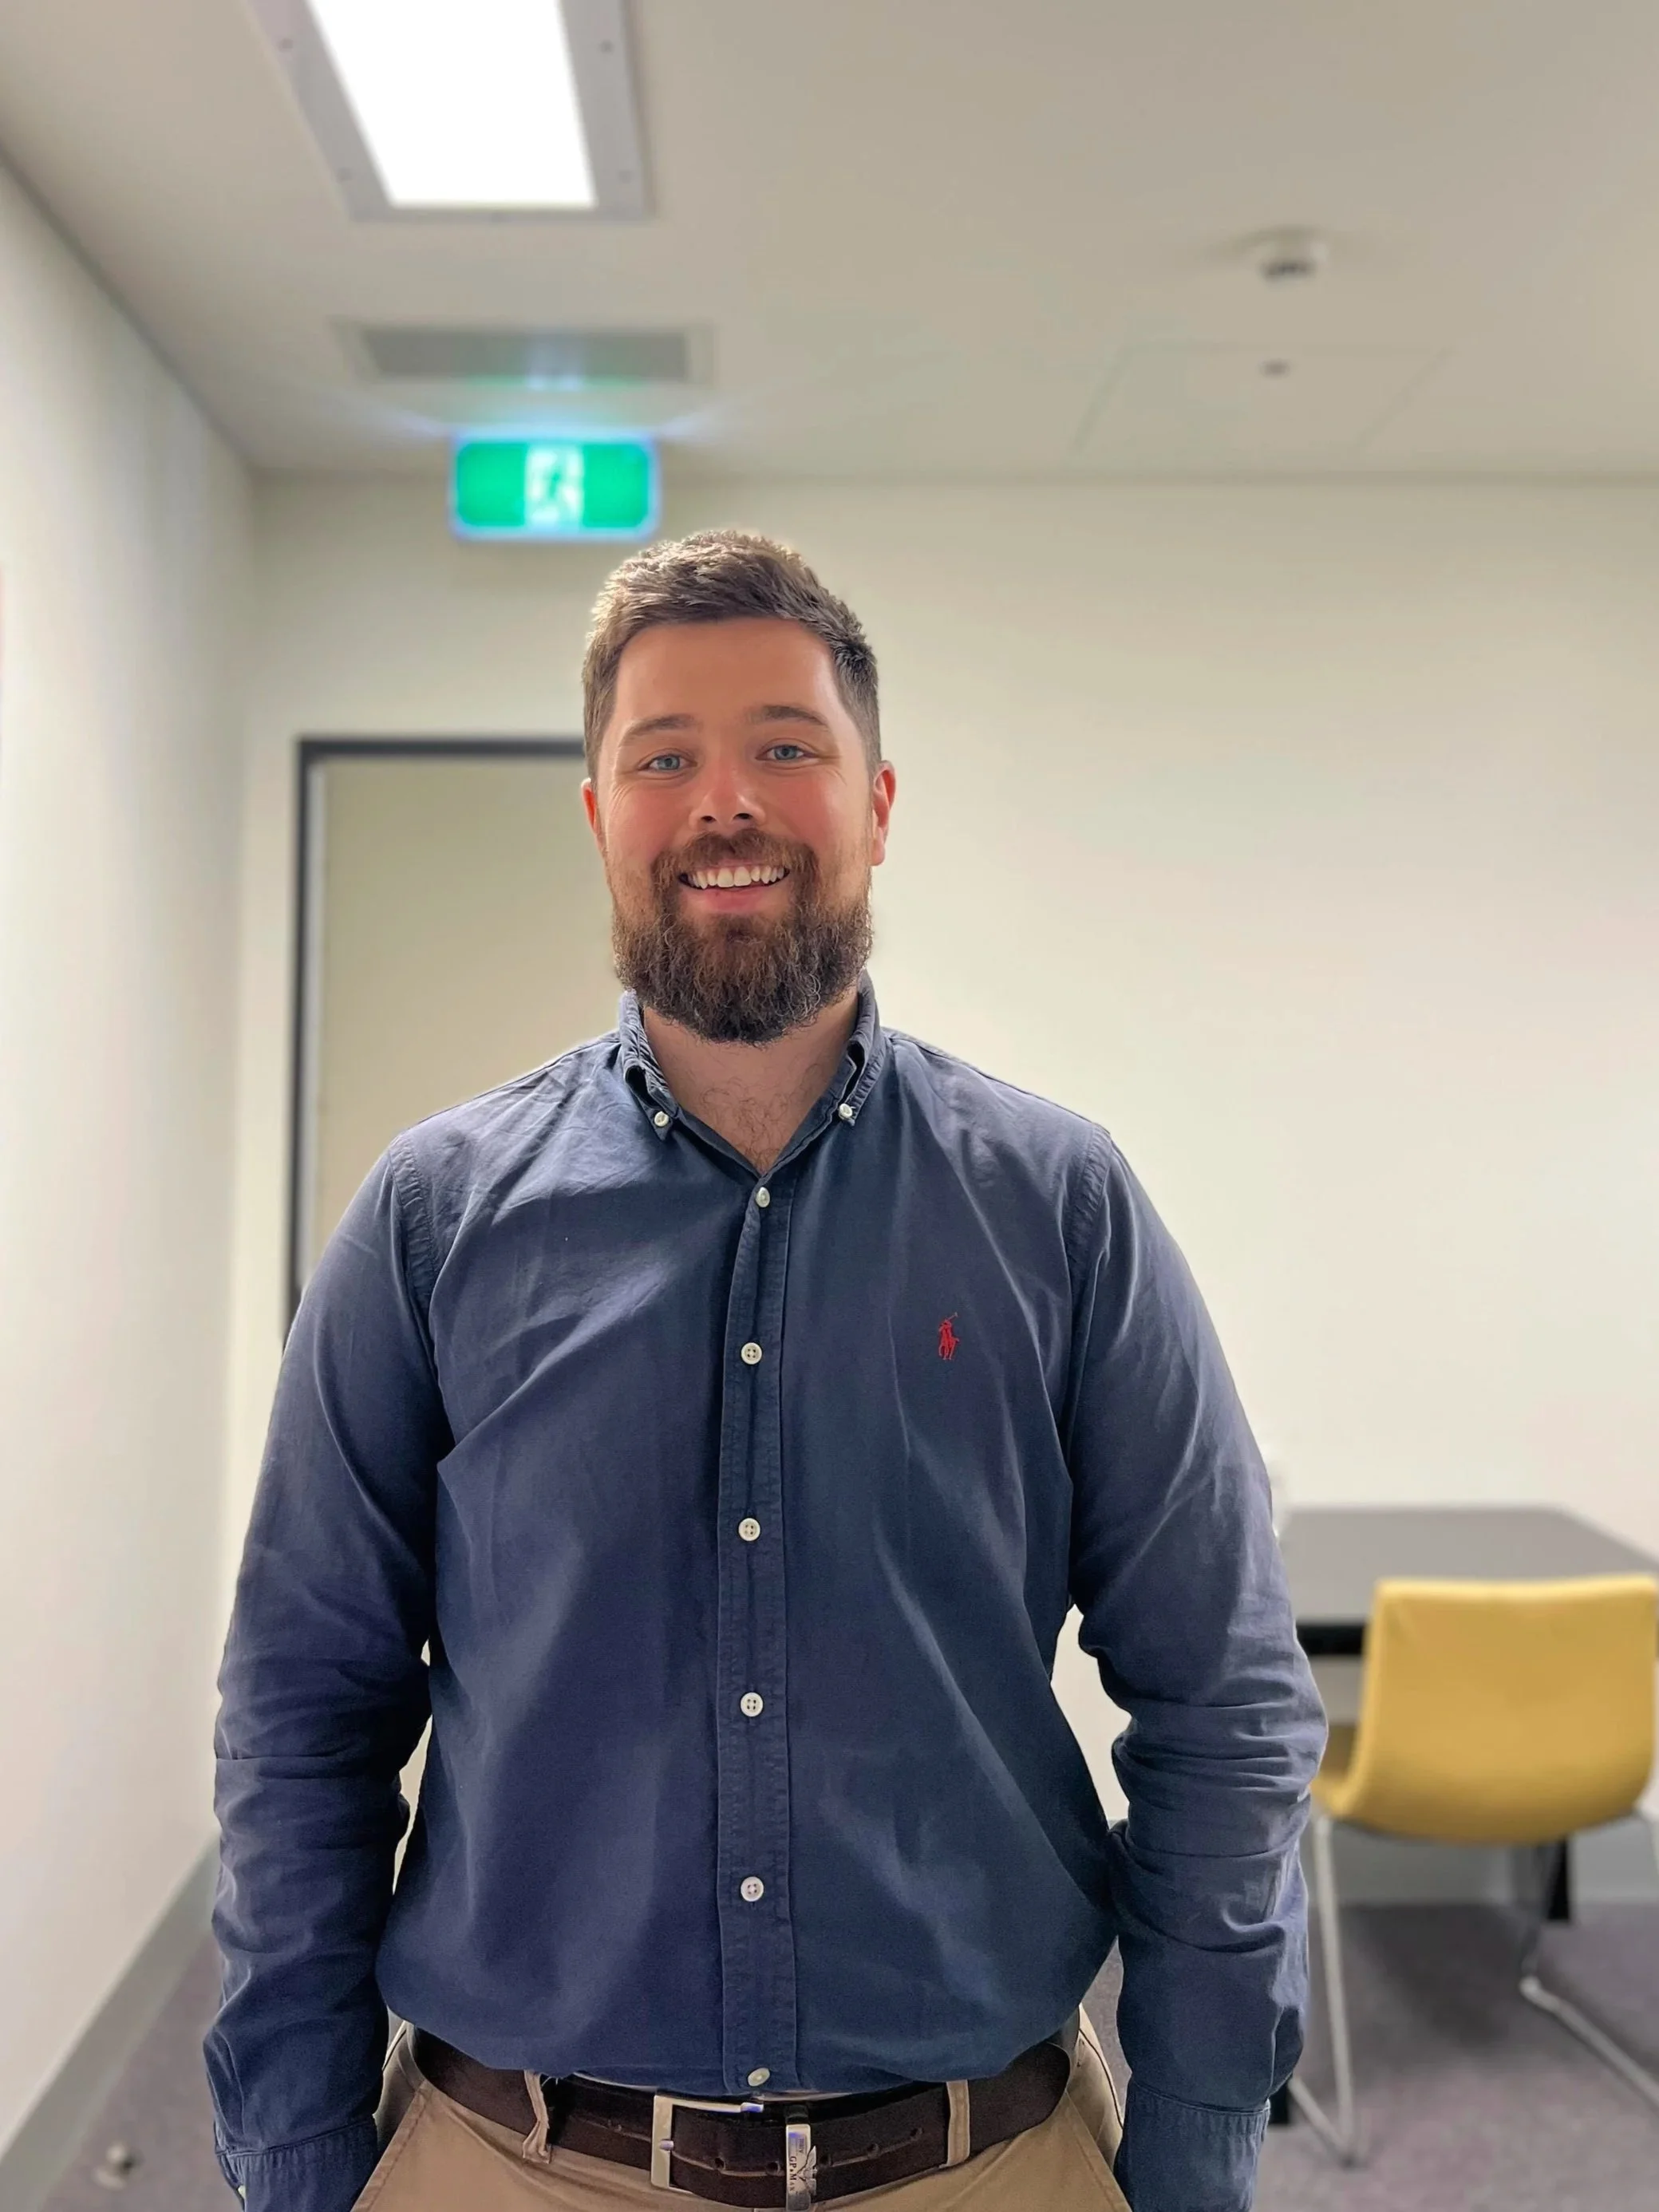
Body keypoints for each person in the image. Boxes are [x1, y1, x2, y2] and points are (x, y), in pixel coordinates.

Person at [207, 530, 1325, 2212]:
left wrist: (1194, 2130)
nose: (723, 802)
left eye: (785, 749)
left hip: (985, 2156)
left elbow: (1227, 1699)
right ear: (600, 817)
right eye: (663, 757)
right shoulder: (435, 1221)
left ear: (876, 804)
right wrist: (293, 2153)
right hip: (512, 2157)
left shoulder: (1058, 1206)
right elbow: (302, 1714)